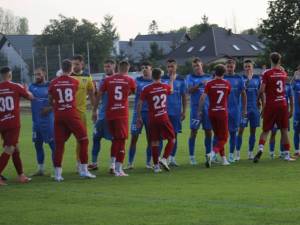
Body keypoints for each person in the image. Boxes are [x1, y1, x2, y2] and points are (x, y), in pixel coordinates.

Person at [49, 59, 96, 181]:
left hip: (59, 115)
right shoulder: (74, 82)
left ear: (61, 68)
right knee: (84, 140)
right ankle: (84, 170)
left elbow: (51, 100)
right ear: (70, 69)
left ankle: (58, 174)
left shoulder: (53, 82)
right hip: (72, 114)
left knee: (59, 144)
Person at [93, 60, 136, 176]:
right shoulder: (130, 80)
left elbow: (98, 95)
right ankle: (119, 169)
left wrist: (94, 110)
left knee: (115, 139)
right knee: (121, 140)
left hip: (109, 114)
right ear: (127, 69)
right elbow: (131, 92)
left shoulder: (107, 80)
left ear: (117, 67)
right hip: (121, 114)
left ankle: (113, 164)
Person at [253, 52, 295, 162]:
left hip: (271, 105)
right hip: (282, 104)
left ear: (270, 60)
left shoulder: (267, 74)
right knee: (284, 130)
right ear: (279, 61)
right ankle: (286, 155)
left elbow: (262, 90)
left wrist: (258, 100)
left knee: (266, 130)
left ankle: (261, 149)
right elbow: (284, 75)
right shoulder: (283, 74)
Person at [137, 68, 176, 173]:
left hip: (152, 119)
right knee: (172, 138)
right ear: (160, 76)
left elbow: (140, 103)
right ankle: (164, 158)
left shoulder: (146, 88)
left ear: (152, 76)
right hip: (163, 117)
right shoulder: (164, 86)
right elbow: (171, 90)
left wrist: (139, 117)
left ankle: (156, 166)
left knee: (154, 142)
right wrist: (172, 80)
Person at [0, 67, 34, 186]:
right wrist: (27, 90)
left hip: (2, 123)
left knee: (15, 149)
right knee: (9, 148)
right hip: (13, 123)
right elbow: (30, 97)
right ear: (10, 74)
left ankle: (21, 175)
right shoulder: (16, 86)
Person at [198, 64, 231, 166]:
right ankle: (212, 154)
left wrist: (199, 111)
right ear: (224, 73)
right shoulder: (227, 84)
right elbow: (227, 96)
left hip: (212, 112)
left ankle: (224, 159)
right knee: (224, 138)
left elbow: (202, 98)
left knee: (218, 136)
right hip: (222, 112)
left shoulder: (209, 84)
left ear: (214, 72)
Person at [89, 59, 114, 173]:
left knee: (115, 140)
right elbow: (98, 97)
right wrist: (95, 111)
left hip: (113, 116)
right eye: (105, 67)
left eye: (108, 66)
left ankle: (112, 165)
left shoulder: (117, 80)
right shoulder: (103, 81)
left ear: (114, 66)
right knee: (96, 138)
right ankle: (94, 163)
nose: (106, 68)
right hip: (102, 114)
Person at [126, 62, 153, 169]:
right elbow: (129, 91)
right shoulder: (136, 81)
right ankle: (130, 163)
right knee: (134, 138)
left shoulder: (154, 82)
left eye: (146, 67)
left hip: (150, 114)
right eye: (142, 68)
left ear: (151, 69)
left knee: (150, 139)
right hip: (138, 113)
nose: (144, 69)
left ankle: (148, 163)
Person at [71, 55, 95, 172]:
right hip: (68, 112)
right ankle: (57, 167)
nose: (74, 66)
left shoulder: (87, 76)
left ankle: (79, 162)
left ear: (82, 64)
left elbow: (91, 94)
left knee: (81, 140)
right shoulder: (67, 76)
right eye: (73, 64)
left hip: (81, 113)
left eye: (77, 64)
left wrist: (95, 110)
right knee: (58, 140)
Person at [186, 58, 212, 166]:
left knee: (208, 132)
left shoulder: (209, 77)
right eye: (194, 66)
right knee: (194, 132)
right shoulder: (190, 77)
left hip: (208, 108)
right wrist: (200, 84)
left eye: (198, 65)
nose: (196, 68)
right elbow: (189, 90)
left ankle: (208, 155)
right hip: (196, 110)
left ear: (202, 65)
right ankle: (192, 157)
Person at [29, 67, 55, 175]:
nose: (37, 76)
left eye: (39, 74)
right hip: (36, 122)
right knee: (37, 145)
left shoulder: (50, 86)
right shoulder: (32, 87)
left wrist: (48, 109)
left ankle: (56, 169)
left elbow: (58, 102)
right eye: (35, 74)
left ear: (44, 73)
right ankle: (40, 169)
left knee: (53, 145)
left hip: (48, 122)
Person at [162, 59, 187, 166]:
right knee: (162, 136)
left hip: (176, 112)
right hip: (164, 112)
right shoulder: (163, 79)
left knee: (175, 135)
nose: (170, 68)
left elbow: (184, 97)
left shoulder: (181, 80)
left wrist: (184, 111)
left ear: (176, 67)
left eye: (172, 66)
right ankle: (161, 158)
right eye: (169, 67)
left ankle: (172, 158)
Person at [235, 60, 261, 160]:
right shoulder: (241, 79)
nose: (247, 68)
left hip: (254, 109)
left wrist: (262, 103)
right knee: (240, 130)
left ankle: (250, 153)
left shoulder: (257, 78)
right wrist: (248, 80)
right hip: (243, 109)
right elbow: (241, 91)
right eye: (245, 67)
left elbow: (260, 92)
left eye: (249, 66)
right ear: (243, 68)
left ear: (252, 67)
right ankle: (237, 153)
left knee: (253, 131)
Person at [224, 58, 247, 162]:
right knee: (220, 133)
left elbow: (243, 94)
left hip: (235, 110)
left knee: (233, 133)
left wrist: (244, 109)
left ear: (234, 67)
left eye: (231, 67)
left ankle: (231, 155)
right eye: (228, 67)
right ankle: (216, 154)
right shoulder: (222, 77)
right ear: (225, 67)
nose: (229, 68)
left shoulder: (239, 78)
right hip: (222, 110)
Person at [269, 75, 293, 159]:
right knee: (273, 132)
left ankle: (282, 152)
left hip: (284, 112)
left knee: (284, 133)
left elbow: (291, 98)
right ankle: (271, 152)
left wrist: (291, 110)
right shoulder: (273, 84)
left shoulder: (288, 86)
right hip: (275, 112)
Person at [293, 67, 300, 157]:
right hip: (297, 112)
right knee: (296, 132)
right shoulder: (295, 83)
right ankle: (297, 151)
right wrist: (294, 77)